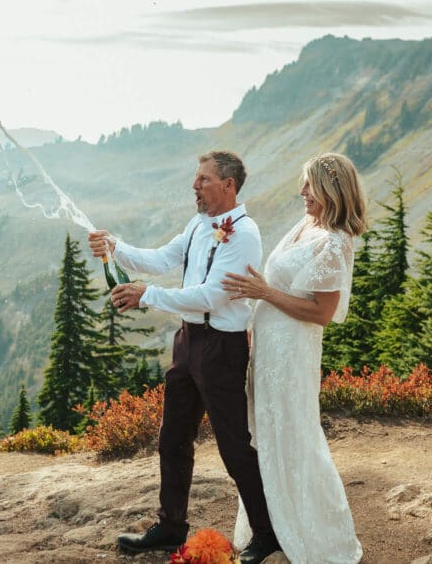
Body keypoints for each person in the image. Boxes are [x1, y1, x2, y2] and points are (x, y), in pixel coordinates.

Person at [88, 151, 280, 564]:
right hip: (188, 341)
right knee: (172, 438)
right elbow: (160, 259)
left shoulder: (244, 234)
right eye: (196, 178)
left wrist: (146, 294)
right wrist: (114, 248)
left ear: (228, 185)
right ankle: (171, 527)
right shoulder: (198, 224)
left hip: (222, 348)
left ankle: (267, 534)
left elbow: (213, 295)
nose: (195, 185)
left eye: (203, 179)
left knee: (233, 446)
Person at [222, 152, 366, 564]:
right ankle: (269, 526)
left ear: (330, 189)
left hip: (293, 353)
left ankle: (314, 536)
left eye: (309, 185)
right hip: (269, 348)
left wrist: (265, 293)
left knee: (293, 433)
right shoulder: (307, 226)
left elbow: (321, 313)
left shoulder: (335, 240)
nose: (301, 192)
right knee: (264, 434)